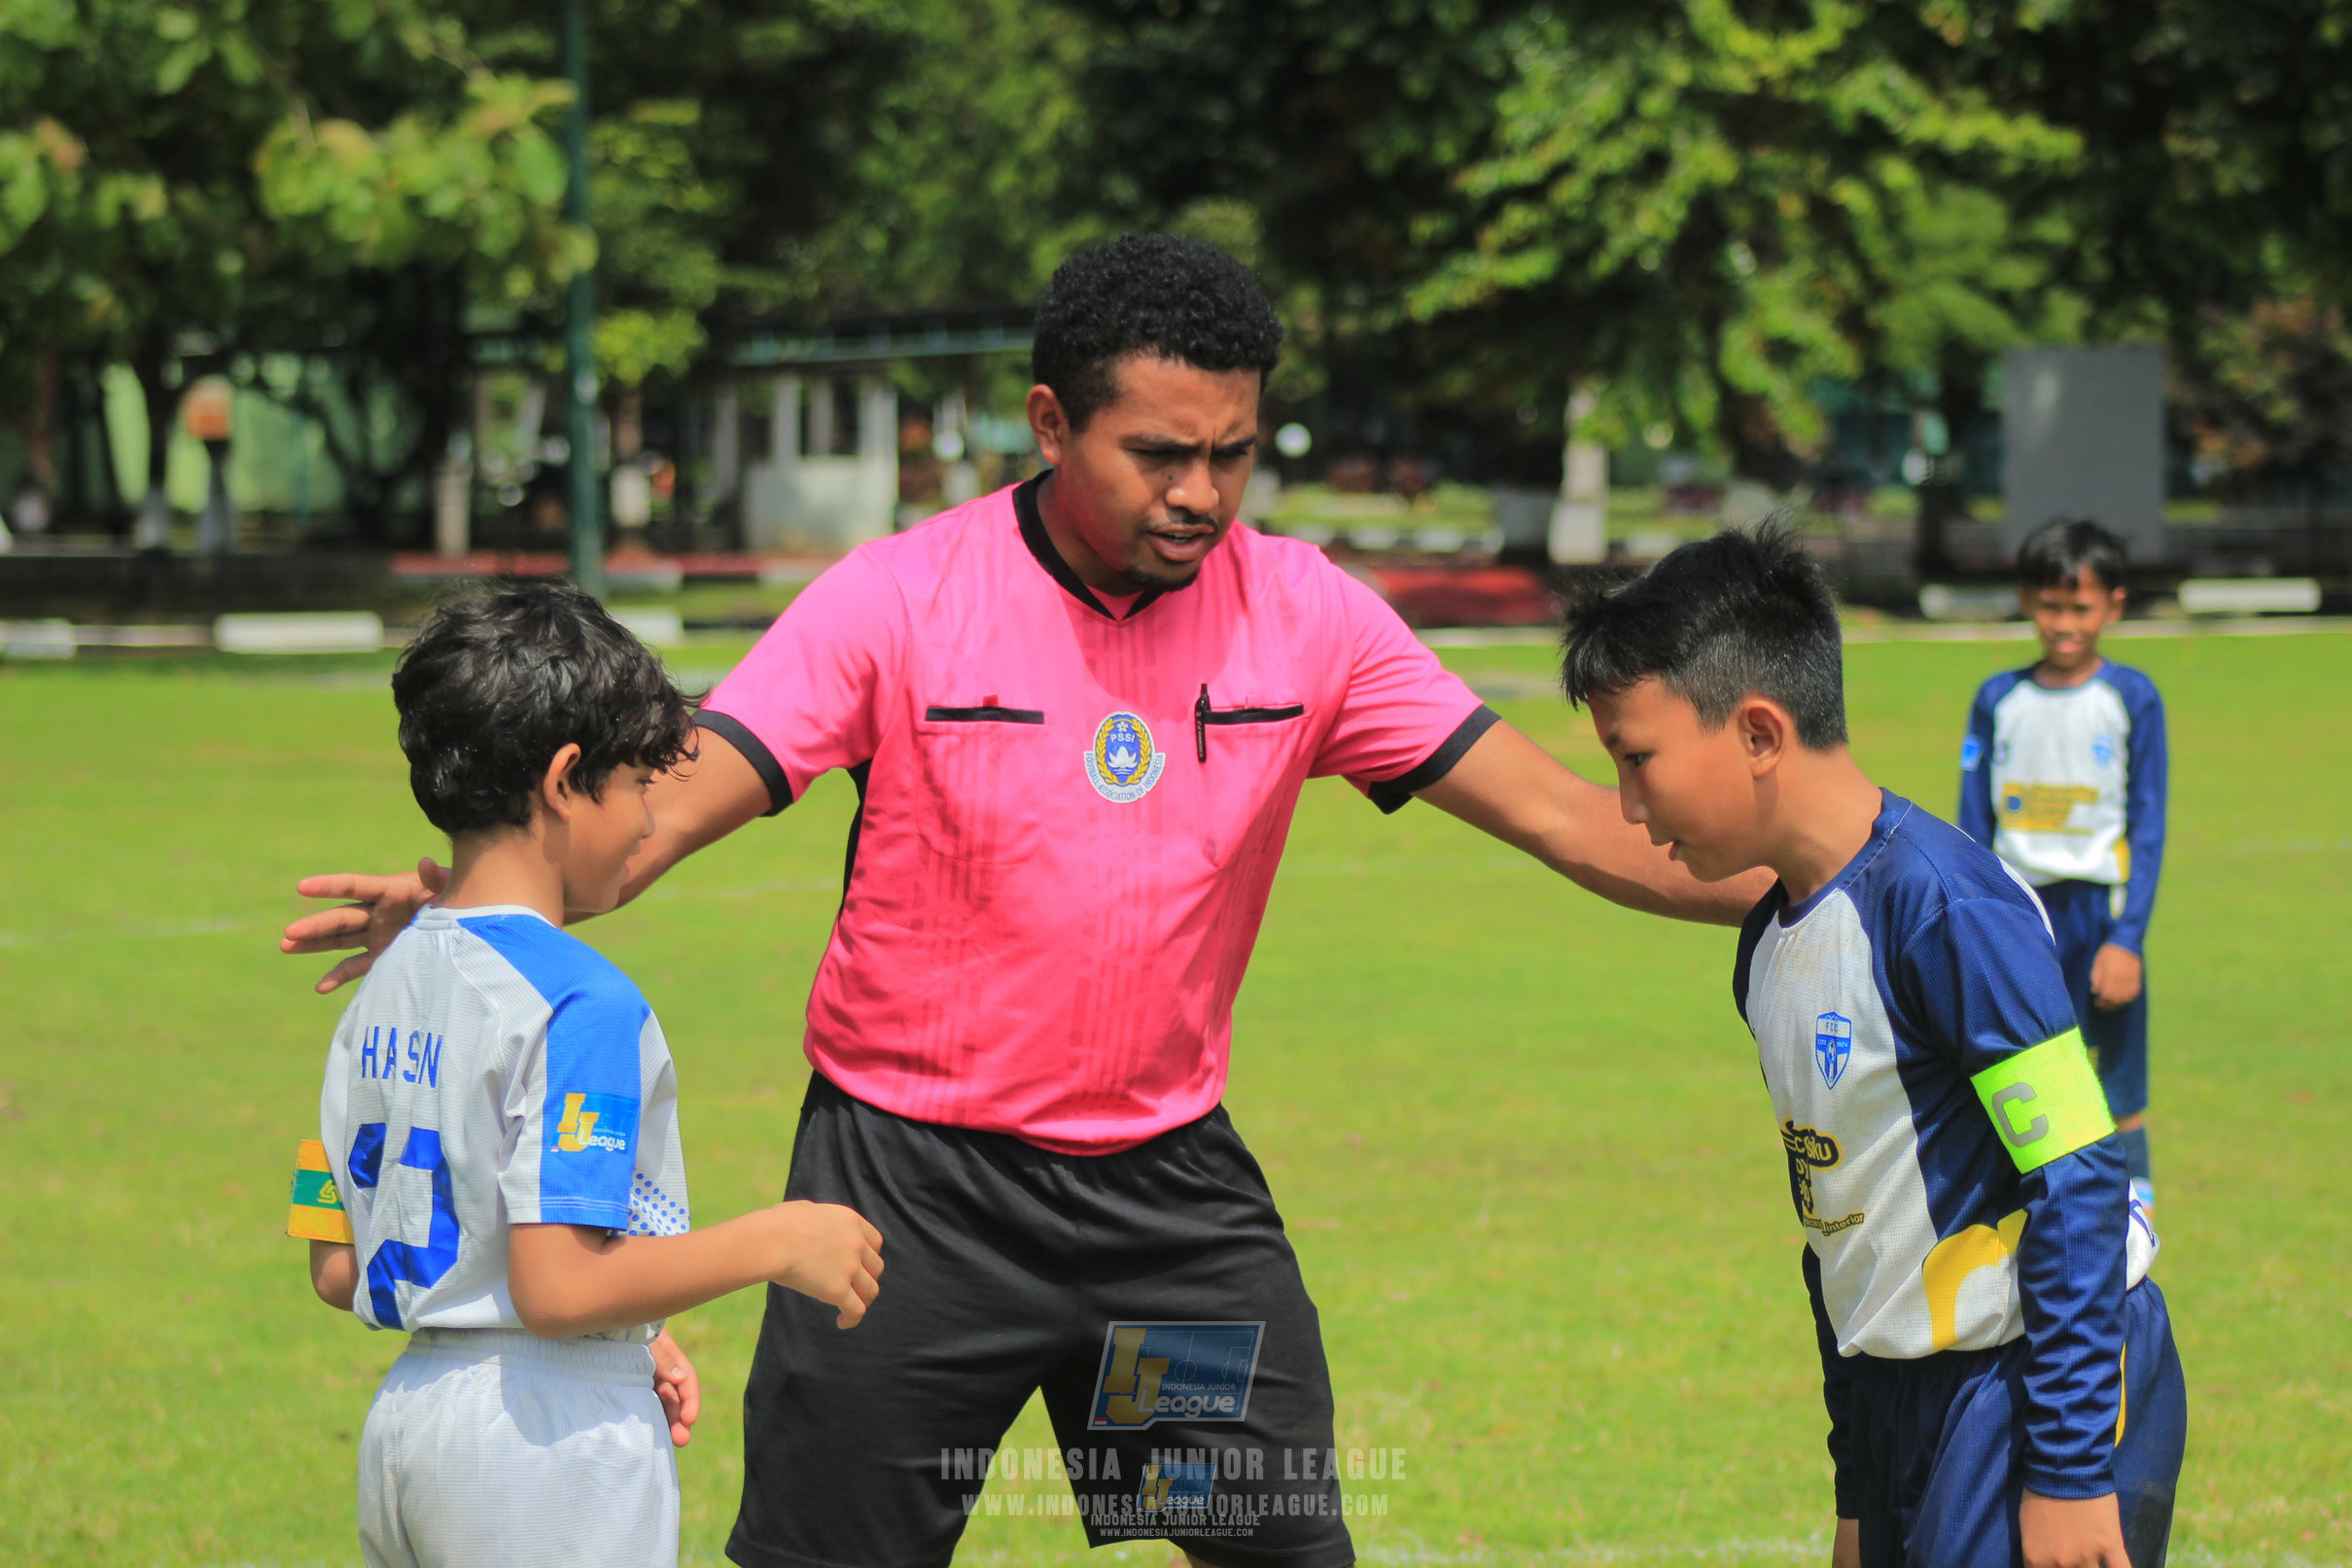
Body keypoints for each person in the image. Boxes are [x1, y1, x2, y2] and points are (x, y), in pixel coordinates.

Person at [283, 234, 1762, 1568]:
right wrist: (470, 888)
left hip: (1160, 1226)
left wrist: (1832, 870)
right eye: (1159, 451)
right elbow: (647, 813)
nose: (1201, 492)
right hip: (904, 1211)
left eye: (1235, 453)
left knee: (1274, 1548)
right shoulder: (898, 599)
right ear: (1050, 423)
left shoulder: (1306, 616)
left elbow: (1575, 822)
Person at [1560, 527, 2185, 1568]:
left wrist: (2069, 1468)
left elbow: (2077, 1172)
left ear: (1759, 731)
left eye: (1637, 758)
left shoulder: (1946, 909)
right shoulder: (1770, 941)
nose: (1628, 804)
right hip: (1907, 1395)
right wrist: (1859, 1485)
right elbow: (1839, 1238)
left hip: (2035, 1380)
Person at [294, 585, 885, 1568]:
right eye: (642, 782)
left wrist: (630, 1328)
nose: (653, 817)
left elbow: (336, 1262)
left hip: (405, 1431)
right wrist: (777, 1239)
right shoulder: (584, 1003)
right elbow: (559, 1285)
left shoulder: (385, 979)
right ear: (569, 779)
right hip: (541, 1452)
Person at [1958, 519, 2166, 1211]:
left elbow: (2147, 822)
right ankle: (2031, 1206)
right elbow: (1973, 824)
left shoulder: (2130, 697)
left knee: (2114, 1081)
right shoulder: (1997, 699)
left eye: (2080, 607)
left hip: (2097, 915)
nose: (2064, 623)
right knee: (2024, 1070)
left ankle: (2132, 1212)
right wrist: (1979, 924)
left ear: (2113, 604)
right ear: (2025, 600)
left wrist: (2127, 939)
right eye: (2050, 605)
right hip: (2020, 914)